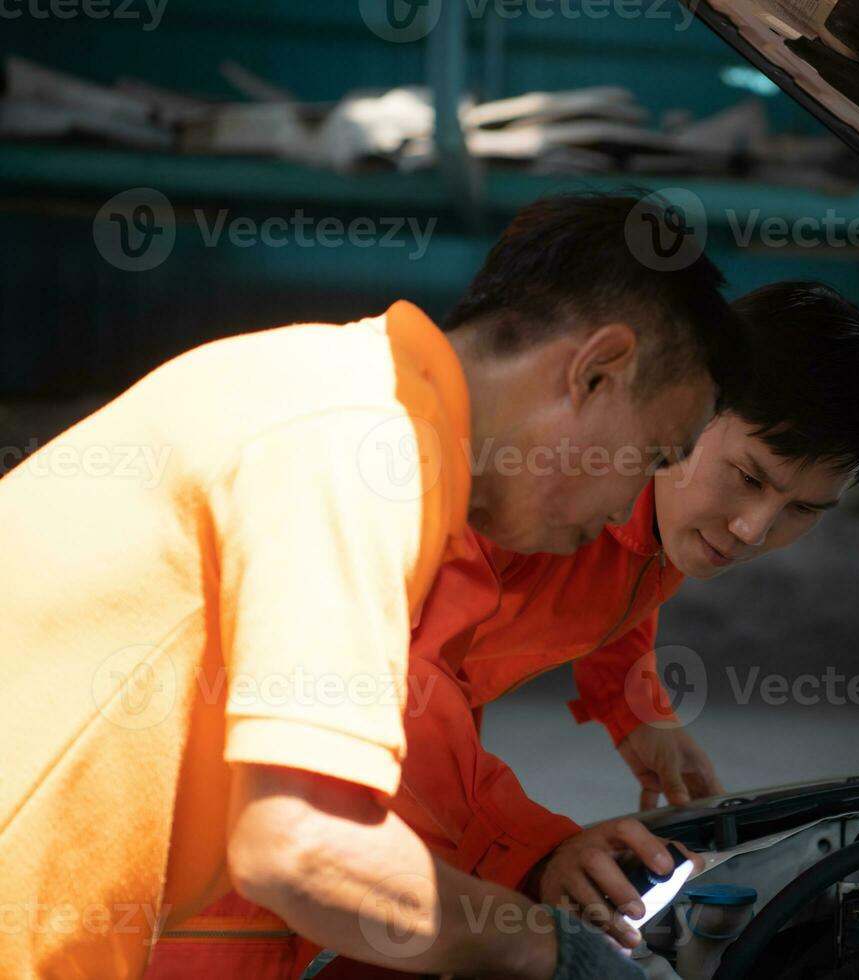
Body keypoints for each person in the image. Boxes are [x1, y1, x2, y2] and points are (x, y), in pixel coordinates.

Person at [0, 193, 744, 979]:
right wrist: (551, 952)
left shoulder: (344, 401)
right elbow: (305, 845)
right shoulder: (361, 444)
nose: (631, 503)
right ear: (597, 372)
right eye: (651, 454)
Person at [219, 280, 859, 978]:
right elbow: (405, 697)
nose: (752, 529)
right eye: (748, 477)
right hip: (268, 778)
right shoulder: (527, 498)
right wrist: (533, 851)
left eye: (802, 509)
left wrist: (635, 708)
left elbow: (630, 583)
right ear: (696, 403)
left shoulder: (672, 521)